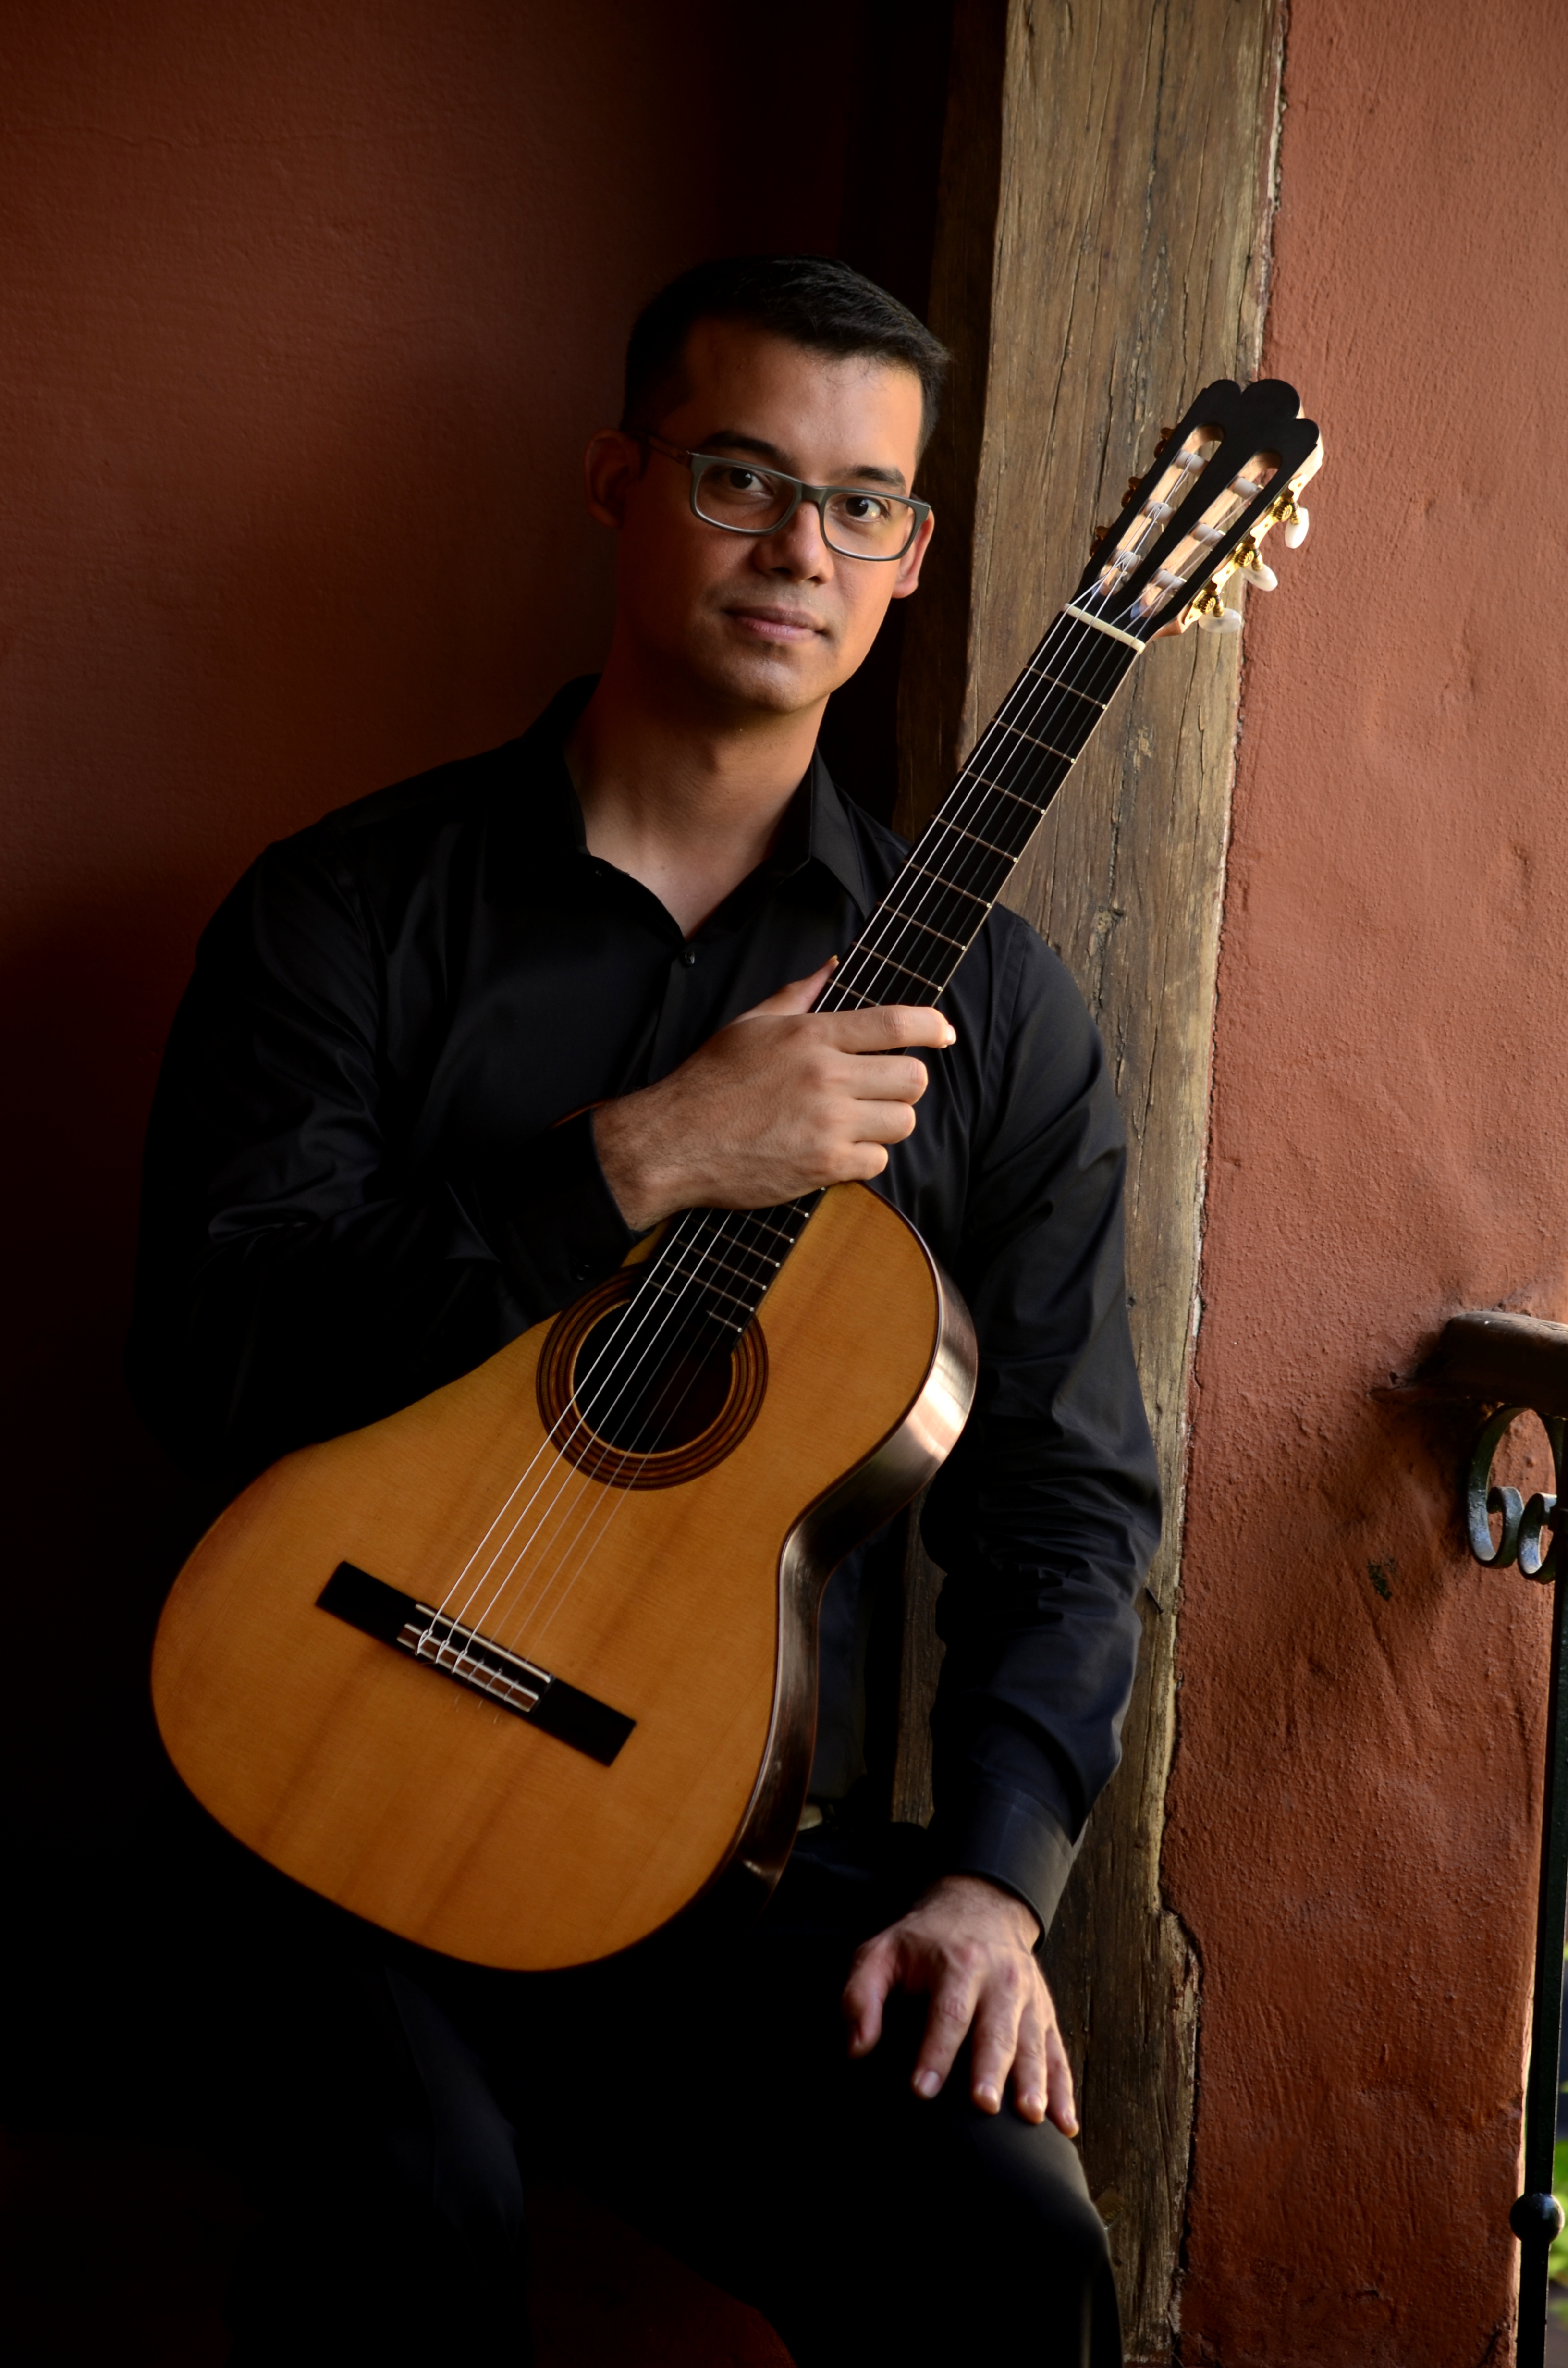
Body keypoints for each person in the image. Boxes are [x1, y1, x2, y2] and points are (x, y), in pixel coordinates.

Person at [129, 254, 1160, 2367]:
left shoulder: (1002, 1023)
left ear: (914, 557)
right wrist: (642, 1155)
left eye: (862, 503)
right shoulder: (348, 914)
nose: (802, 548)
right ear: (619, 481)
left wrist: (994, 1878)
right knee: (415, 2201)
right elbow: (210, 1358)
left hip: (714, 1862)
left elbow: (1066, 1504)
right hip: (319, 1780)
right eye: (740, 476)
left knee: (1008, 2239)